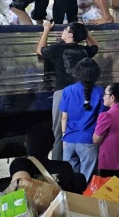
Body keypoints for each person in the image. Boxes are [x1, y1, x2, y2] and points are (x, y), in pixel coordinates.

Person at [37, 21, 98, 161]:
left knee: (58, 131)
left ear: (70, 34)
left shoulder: (57, 48)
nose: (62, 31)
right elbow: (95, 46)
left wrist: (46, 29)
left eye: (66, 29)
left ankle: (57, 165)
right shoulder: (84, 51)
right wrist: (85, 33)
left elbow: (40, 50)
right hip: (82, 93)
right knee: (80, 127)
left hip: (63, 93)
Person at [60, 58, 104, 181]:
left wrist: (64, 136)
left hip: (69, 139)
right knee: (87, 182)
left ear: (78, 73)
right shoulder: (100, 92)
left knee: (69, 180)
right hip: (88, 140)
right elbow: (102, 118)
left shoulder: (67, 90)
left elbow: (64, 117)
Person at [10, 124, 86, 194]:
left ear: (25, 145)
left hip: (33, 208)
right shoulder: (65, 166)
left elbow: (20, 187)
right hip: (62, 207)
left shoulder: (20, 164)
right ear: (52, 147)